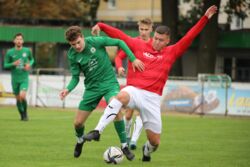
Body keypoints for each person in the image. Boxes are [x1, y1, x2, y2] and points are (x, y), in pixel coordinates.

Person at [84, 5, 218, 162]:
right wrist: (101, 25)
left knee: (155, 142)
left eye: (161, 40)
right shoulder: (138, 44)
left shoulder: (172, 52)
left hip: (153, 99)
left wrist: (205, 18)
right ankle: (97, 131)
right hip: (135, 91)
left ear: (168, 41)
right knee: (120, 96)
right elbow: (120, 36)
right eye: (155, 38)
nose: (157, 42)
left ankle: (146, 150)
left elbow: (190, 36)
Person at [59, 26, 144, 160]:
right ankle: (80, 141)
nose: (76, 46)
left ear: (82, 37)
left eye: (78, 42)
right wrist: (67, 89)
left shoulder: (95, 41)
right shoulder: (72, 54)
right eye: (73, 44)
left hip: (109, 83)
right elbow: (75, 77)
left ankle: (124, 146)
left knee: (115, 108)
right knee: (78, 123)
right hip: (92, 89)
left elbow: (120, 42)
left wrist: (132, 59)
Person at [115, 18, 153, 150]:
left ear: (151, 29)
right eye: (141, 29)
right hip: (132, 85)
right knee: (129, 114)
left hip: (147, 85)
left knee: (141, 113)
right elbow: (119, 57)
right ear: (138, 29)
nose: (143, 32)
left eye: (146, 29)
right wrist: (119, 67)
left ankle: (134, 141)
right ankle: (126, 137)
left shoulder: (155, 45)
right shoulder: (132, 43)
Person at [4, 33, 34, 121]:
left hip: (24, 78)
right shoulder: (10, 52)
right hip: (15, 79)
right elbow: (5, 65)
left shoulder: (27, 51)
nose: (19, 41)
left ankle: (25, 113)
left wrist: (29, 64)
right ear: (14, 41)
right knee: (18, 99)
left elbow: (32, 60)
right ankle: (22, 114)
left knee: (22, 96)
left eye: (20, 39)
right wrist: (13, 64)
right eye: (17, 39)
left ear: (23, 41)